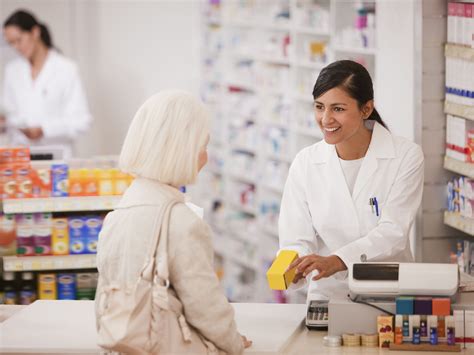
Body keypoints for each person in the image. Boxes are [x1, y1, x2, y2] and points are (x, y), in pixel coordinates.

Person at [95, 90, 251, 353]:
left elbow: (105, 296)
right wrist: (233, 342)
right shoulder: (180, 221)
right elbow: (205, 306)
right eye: (203, 146)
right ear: (183, 150)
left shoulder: (119, 212)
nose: (205, 156)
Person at [279, 60, 424, 300]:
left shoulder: (405, 156)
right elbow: (295, 237)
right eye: (319, 106)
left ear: (366, 109)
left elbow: (393, 232)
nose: (325, 119)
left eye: (338, 109)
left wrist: (338, 260)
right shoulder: (306, 162)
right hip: (329, 294)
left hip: (388, 292)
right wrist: (295, 264)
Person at [2, 10, 91, 158]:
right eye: (11, 43)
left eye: (19, 40)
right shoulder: (12, 71)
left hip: (57, 157)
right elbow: (10, 114)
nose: (16, 47)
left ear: (35, 32)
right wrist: (5, 124)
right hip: (21, 159)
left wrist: (44, 130)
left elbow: (81, 121)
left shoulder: (66, 69)